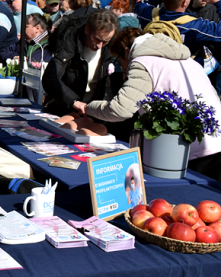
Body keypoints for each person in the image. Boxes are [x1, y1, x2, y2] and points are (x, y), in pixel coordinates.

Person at [83, 28, 221, 177]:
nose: (121, 66)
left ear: (127, 51)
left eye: (119, 60)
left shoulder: (143, 62)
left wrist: (88, 108)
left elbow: (120, 109)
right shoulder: (190, 62)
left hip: (188, 151)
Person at [42, 9, 121, 117]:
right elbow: (50, 78)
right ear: (87, 29)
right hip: (64, 109)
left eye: (106, 41)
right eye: (97, 39)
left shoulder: (110, 49)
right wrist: (74, 102)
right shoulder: (68, 44)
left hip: (94, 113)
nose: (100, 45)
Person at [134, 0, 221, 63]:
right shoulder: (195, 27)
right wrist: (219, 1)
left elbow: (141, 3)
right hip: (185, 71)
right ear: (185, 1)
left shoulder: (148, 15)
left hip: (155, 68)